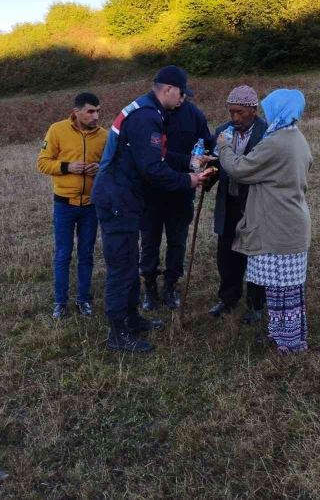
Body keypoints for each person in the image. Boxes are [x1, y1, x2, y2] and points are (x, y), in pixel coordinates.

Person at [91, 66, 207, 353]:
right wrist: (187, 180)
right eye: (181, 93)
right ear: (168, 89)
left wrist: (192, 160)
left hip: (124, 197)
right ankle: (118, 334)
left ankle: (132, 319)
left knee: (129, 263)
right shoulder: (147, 117)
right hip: (118, 199)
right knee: (121, 267)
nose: (182, 100)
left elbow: (159, 154)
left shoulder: (145, 110)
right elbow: (153, 167)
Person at [216, 89, 312, 352]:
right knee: (285, 289)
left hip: (278, 225)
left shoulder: (276, 141)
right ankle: (285, 337)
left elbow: (239, 169)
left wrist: (223, 146)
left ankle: (289, 343)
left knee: (283, 290)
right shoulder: (296, 137)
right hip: (290, 221)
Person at [139, 85, 213, 311]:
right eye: (179, 94)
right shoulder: (151, 114)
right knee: (149, 241)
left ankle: (170, 285)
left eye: (185, 96)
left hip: (182, 191)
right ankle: (149, 287)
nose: (181, 99)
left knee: (177, 242)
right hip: (151, 192)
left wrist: (208, 161)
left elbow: (206, 144)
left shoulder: (195, 115)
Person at [36, 92, 108, 319]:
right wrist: (69, 167)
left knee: (86, 254)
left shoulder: (104, 136)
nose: (96, 116)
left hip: (90, 206)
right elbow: (42, 163)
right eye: (90, 111)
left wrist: (100, 169)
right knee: (63, 254)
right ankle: (60, 302)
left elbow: (112, 164)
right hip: (64, 205)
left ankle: (84, 300)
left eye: (98, 111)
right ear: (76, 112)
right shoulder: (56, 130)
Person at [206, 86, 268, 323]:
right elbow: (216, 164)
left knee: (254, 254)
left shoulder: (266, 133)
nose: (234, 118)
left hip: (254, 203)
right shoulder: (222, 131)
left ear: (253, 110)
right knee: (226, 253)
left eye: (240, 112)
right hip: (228, 202)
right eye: (231, 112)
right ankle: (228, 298)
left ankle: (256, 303)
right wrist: (205, 175)